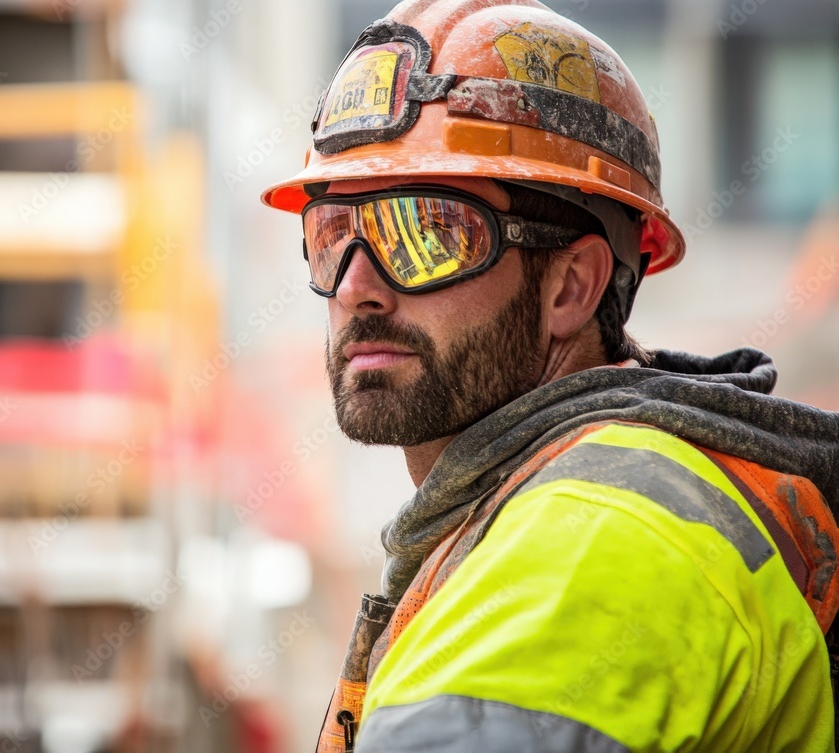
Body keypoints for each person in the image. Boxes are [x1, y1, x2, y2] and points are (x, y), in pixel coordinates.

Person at [261, 1, 839, 750]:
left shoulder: (592, 536)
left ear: (571, 286)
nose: (355, 286)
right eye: (336, 235)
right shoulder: (544, 507)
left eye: (428, 232)